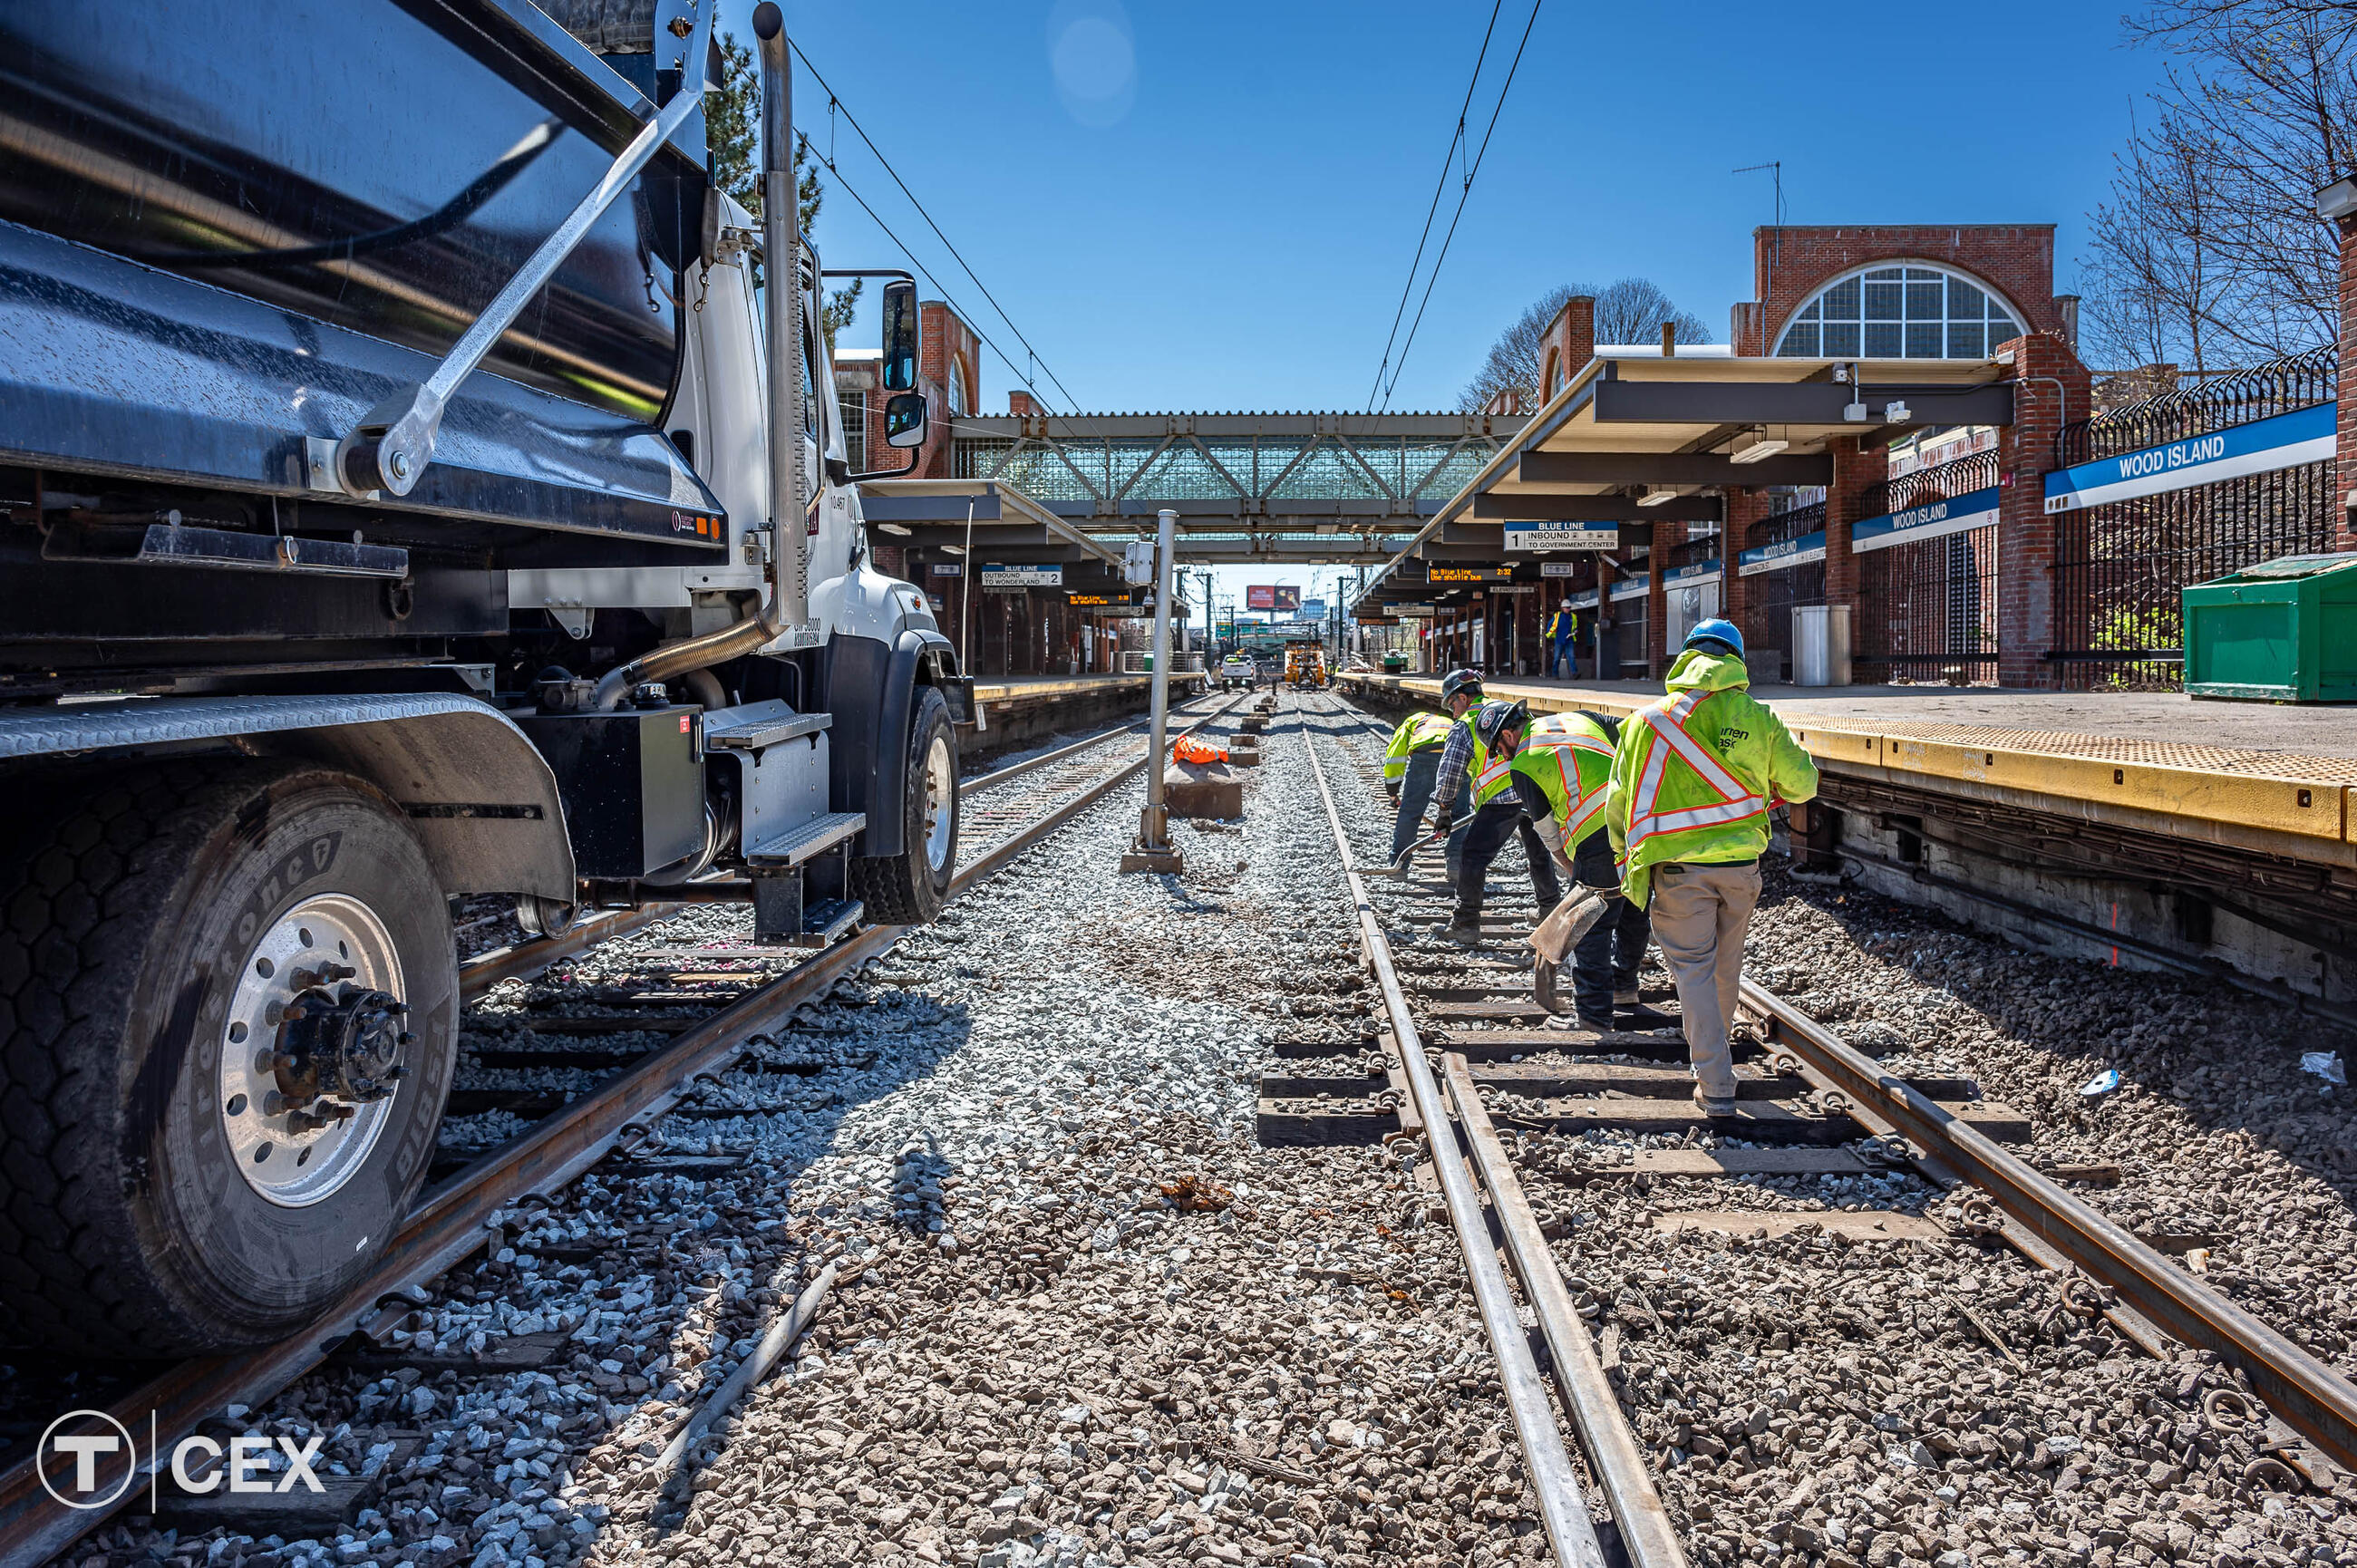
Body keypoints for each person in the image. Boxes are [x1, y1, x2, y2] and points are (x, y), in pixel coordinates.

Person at [1605, 617, 1819, 1118]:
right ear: (1737, 661)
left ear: (1686, 657)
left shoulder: (1645, 722)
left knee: (1694, 971)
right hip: (1742, 867)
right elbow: (1804, 784)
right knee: (1725, 969)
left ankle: (1716, 1082)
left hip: (1678, 873)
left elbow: (1619, 800)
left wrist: (1620, 852)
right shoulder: (1758, 716)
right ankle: (1715, 1062)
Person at [1508, 711, 1653, 1030]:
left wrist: (1569, 865)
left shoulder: (1522, 765)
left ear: (1507, 735)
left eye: (1500, 751)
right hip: (1639, 818)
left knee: (1589, 925)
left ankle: (1593, 1015)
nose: (1504, 757)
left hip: (1595, 834)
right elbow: (1631, 733)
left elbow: (1546, 830)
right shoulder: (1581, 718)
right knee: (1634, 904)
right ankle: (1624, 988)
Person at [1431, 700, 1560, 945]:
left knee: (1473, 855)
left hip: (1501, 798)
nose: (1452, 712)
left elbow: (1451, 770)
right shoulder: (1506, 711)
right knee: (1540, 851)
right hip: (1535, 789)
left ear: (1460, 699)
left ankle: (1465, 923)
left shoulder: (1466, 725)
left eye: (1451, 706)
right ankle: (1550, 912)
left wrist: (1444, 809)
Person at [1387, 669, 1486, 876]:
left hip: (1425, 754)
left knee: (1411, 810)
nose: (1454, 711)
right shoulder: (1455, 723)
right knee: (1460, 814)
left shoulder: (1414, 721)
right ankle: (1455, 864)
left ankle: (1398, 863)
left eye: (1452, 706)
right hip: (1456, 756)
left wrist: (1393, 790)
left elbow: (1395, 758)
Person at [1547, 603, 1577, 680]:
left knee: (1571, 657)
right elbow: (1550, 624)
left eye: (1569, 607)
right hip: (1559, 640)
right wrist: (1549, 634)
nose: (1568, 609)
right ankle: (1555, 674)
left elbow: (1575, 627)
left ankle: (1574, 673)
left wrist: (1575, 631)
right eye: (1567, 607)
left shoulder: (1573, 617)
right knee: (1557, 658)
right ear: (1563, 608)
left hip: (1569, 640)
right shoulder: (1557, 616)